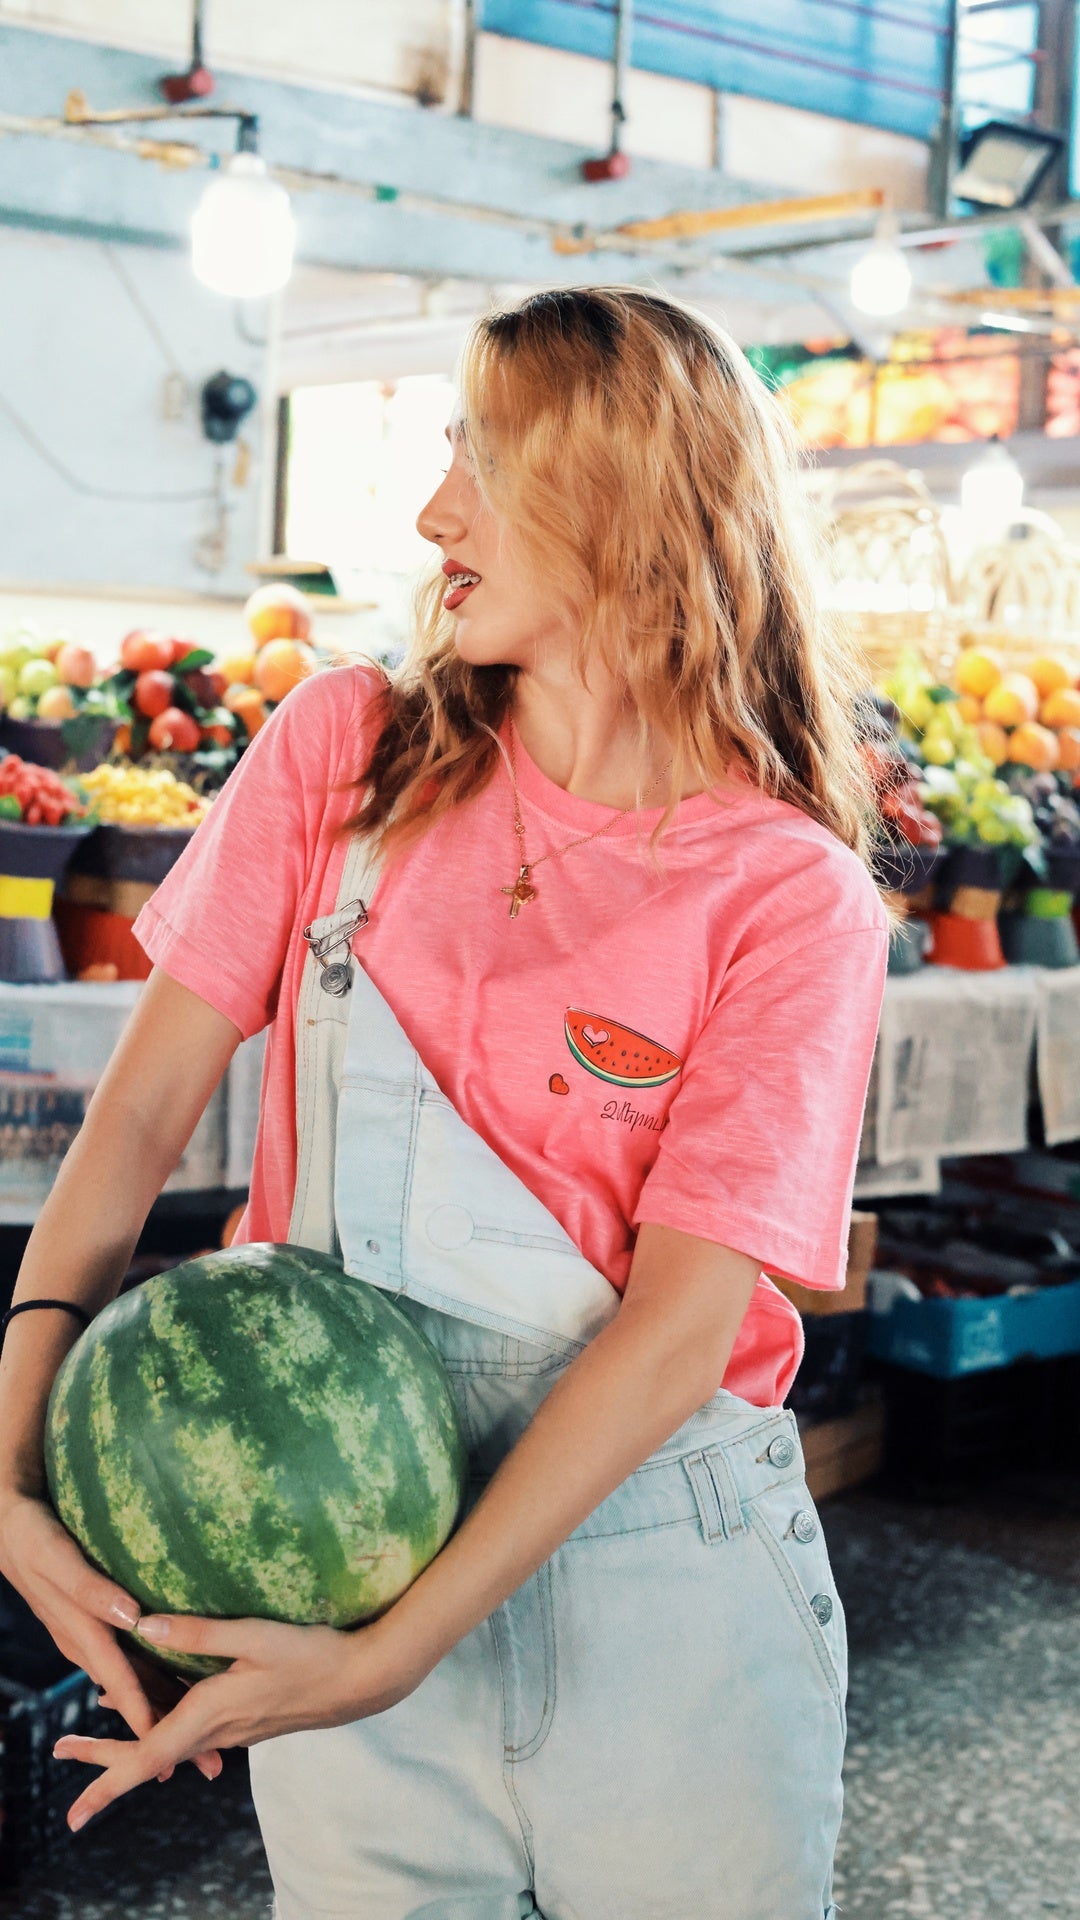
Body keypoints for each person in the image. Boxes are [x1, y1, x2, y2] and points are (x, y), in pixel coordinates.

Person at [0, 287, 890, 1920]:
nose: (433, 513)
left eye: (480, 457)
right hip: (344, 1567)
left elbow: (681, 1327)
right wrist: (10, 1464)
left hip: (664, 1600)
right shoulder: (346, 757)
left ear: (623, 496)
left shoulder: (789, 898)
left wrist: (392, 1658)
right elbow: (128, 1133)